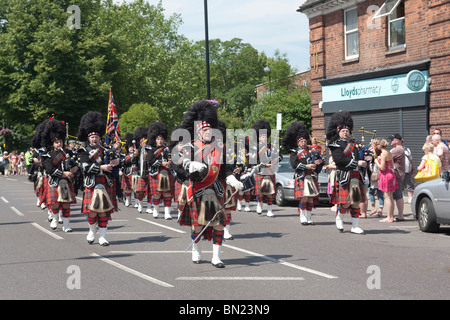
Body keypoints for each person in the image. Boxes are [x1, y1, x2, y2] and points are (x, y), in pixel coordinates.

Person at [174, 100, 243, 268]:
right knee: (197, 226)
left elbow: (225, 169)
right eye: (205, 129)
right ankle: (196, 250)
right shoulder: (191, 147)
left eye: (210, 129)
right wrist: (190, 165)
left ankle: (216, 257)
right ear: (199, 130)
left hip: (216, 190)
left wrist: (231, 179)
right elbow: (178, 163)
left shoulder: (220, 147)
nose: (208, 132)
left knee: (219, 223)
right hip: (198, 190)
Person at [77, 111, 120, 246]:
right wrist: (102, 167)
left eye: (96, 136)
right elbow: (84, 166)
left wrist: (117, 162)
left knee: (103, 212)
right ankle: (91, 231)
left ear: (99, 137)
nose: (94, 139)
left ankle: (102, 237)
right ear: (88, 138)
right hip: (91, 183)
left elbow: (119, 161)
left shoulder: (107, 149)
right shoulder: (83, 151)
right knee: (91, 212)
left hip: (105, 182)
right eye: (92, 137)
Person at [326, 110, 366, 234]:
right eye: (343, 131)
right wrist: (357, 163)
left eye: (347, 131)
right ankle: (339, 216)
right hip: (344, 175)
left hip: (356, 175)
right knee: (346, 202)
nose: (346, 133)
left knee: (355, 202)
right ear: (338, 131)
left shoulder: (353, 144)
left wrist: (367, 159)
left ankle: (355, 226)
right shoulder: (334, 145)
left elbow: (358, 157)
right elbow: (340, 160)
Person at [282, 121, 323, 225]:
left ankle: (309, 218)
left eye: (305, 141)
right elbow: (295, 165)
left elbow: (322, 161)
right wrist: (306, 166)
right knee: (304, 197)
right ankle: (302, 217)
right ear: (298, 142)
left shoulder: (312, 151)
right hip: (302, 176)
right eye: (301, 141)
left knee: (310, 198)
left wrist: (319, 162)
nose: (304, 143)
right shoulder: (295, 152)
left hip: (312, 176)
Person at [39, 119, 78, 232]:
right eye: (56, 142)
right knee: (54, 204)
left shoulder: (68, 153)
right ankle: (55, 219)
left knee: (66, 204)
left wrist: (75, 169)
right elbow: (50, 169)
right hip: (54, 181)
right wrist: (64, 173)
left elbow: (75, 164)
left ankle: (66, 225)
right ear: (53, 143)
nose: (59, 144)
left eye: (60, 142)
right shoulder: (48, 154)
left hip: (66, 182)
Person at [250, 119, 278, 217]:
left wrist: (276, 160)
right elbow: (253, 162)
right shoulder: (255, 148)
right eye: (262, 136)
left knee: (270, 193)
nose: (264, 138)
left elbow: (279, 156)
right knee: (260, 193)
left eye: (265, 136)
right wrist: (263, 165)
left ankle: (269, 210)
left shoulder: (272, 147)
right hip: (261, 171)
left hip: (270, 172)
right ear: (258, 137)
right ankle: (259, 204)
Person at [146, 121, 173, 220]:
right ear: (155, 140)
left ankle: (167, 213)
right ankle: (156, 211)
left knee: (167, 193)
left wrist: (170, 162)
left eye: (161, 139)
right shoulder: (151, 150)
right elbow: (150, 161)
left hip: (166, 173)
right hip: (155, 174)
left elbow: (171, 160)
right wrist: (162, 163)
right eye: (158, 139)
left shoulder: (167, 150)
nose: (160, 141)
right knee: (156, 194)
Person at [374, 139, 398, 223]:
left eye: (377, 145)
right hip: (391, 174)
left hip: (385, 176)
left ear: (380, 146)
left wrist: (376, 161)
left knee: (387, 197)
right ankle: (391, 216)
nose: (376, 146)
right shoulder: (389, 153)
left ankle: (389, 217)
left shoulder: (383, 154)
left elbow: (382, 167)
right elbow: (391, 165)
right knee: (391, 197)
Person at [389, 134, 405, 222]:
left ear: (397, 141)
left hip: (397, 174)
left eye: (392, 139)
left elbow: (387, 157)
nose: (390, 141)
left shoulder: (397, 150)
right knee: (398, 195)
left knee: (398, 195)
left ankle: (400, 215)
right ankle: (400, 214)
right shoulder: (399, 149)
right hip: (398, 174)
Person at [121, 133, 138, 207]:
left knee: (136, 189)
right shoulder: (125, 155)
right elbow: (127, 161)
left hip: (136, 172)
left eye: (132, 147)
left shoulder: (138, 154)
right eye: (130, 147)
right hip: (127, 172)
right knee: (127, 189)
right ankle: (127, 200)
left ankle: (137, 202)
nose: (131, 148)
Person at [367, 148, 384, 217]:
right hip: (380, 179)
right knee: (380, 195)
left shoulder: (372, 162)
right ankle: (380, 210)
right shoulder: (380, 160)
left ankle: (373, 208)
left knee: (371, 193)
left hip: (374, 180)